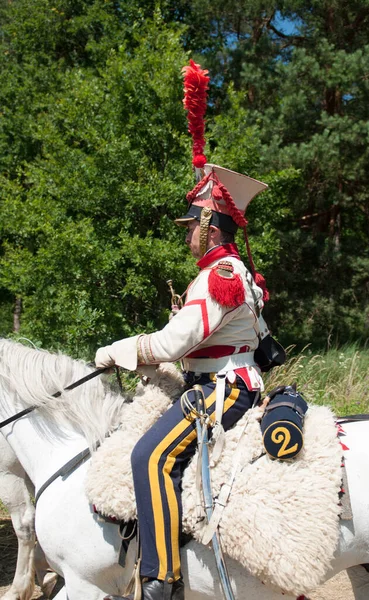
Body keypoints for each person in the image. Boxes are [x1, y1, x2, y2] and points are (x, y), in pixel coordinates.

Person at [95, 162, 270, 600]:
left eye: (191, 225)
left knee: (149, 457)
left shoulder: (221, 275)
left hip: (224, 387)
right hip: (215, 380)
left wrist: (122, 349)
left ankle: (163, 579)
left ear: (210, 227)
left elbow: (174, 342)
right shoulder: (224, 270)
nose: (187, 233)